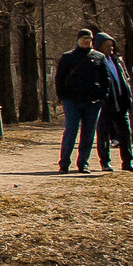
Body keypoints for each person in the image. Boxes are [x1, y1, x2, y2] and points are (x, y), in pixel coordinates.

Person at [54, 28, 109, 172]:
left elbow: (106, 79)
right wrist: (62, 97)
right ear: (78, 40)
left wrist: (103, 97)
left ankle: (83, 163)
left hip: (93, 101)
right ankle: (64, 163)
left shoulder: (99, 57)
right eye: (83, 38)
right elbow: (59, 78)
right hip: (72, 100)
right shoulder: (68, 57)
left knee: (88, 133)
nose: (86, 41)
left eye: (89, 39)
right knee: (71, 131)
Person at [94, 32, 133, 171]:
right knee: (103, 133)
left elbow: (124, 79)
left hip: (121, 102)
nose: (110, 48)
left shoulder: (117, 60)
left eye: (111, 45)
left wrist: (128, 96)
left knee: (125, 132)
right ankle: (105, 162)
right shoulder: (96, 61)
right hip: (105, 104)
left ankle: (127, 161)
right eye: (107, 46)